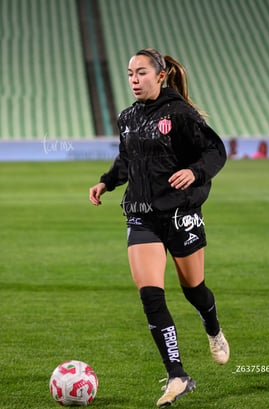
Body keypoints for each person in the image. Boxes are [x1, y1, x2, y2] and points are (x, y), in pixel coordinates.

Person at [89, 48, 230, 408]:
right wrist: (107, 182)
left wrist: (195, 172)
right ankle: (177, 375)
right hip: (141, 215)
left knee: (193, 289)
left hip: (180, 214)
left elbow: (215, 152)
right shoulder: (127, 117)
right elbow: (127, 159)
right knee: (151, 295)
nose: (134, 80)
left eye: (141, 73)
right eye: (130, 74)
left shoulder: (180, 114)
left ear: (161, 75)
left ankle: (213, 329)